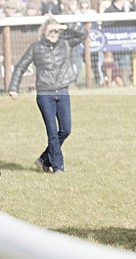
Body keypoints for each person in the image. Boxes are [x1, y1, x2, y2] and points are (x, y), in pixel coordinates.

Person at [7, 17, 88, 174]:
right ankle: (58, 167)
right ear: (43, 32)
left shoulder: (65, 43)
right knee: (52, 131)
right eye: (50, 30)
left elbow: (83, 34)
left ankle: (43, 159)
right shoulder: (36, 47)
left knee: (65, 130)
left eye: (56, 30)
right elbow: (20, 66)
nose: (54, 33)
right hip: (45, 94)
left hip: (62, 92)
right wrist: (13, 88)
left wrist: (65, 26)